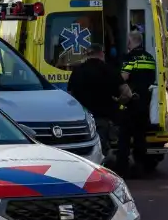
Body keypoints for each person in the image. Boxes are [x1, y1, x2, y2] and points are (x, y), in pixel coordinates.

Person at [66, 44, 131, 155]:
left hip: (83, 120)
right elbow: (127, 94)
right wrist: (119, 102)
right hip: (104, 118)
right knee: (104, 149)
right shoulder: (110, 70)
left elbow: (69, 96)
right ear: (101, 53)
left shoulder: (77, 71)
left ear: (87, 55)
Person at [116, 31, 157, 176]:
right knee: (140, 136)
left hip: (131, 103)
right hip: (145, 103)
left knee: (124, 137)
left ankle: (123, 169)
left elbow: (124, 77)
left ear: (130, 42)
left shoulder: (130, 58)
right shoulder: (150, 58)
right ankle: (141, 167)